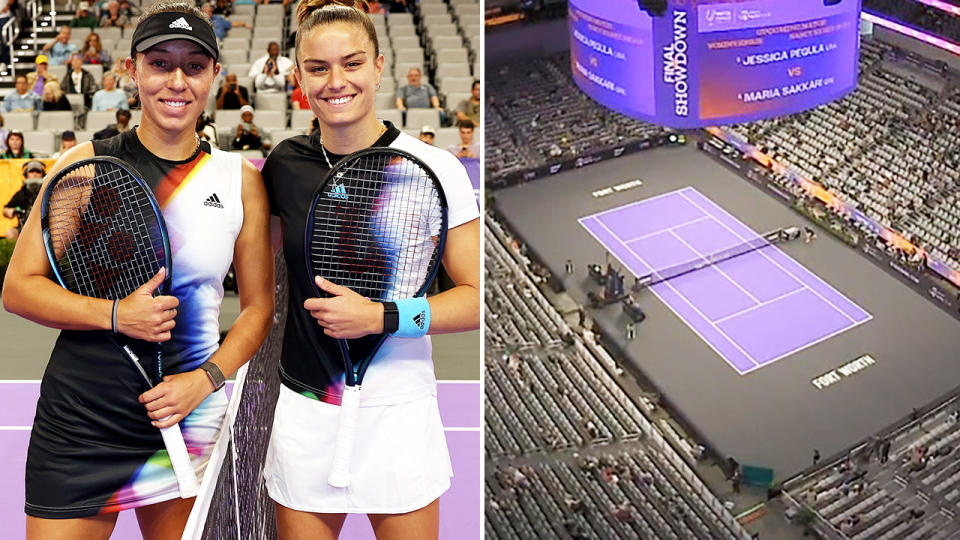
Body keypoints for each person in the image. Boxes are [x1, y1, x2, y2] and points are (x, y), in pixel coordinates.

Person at [2, 2, 274, 538]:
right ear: (133, 71)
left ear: (215, 76)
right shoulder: (83, 165)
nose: (177, 81)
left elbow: (259, 308)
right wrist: (116, 315)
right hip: (80, 421)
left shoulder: (239, 179)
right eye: (160, 63)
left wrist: (206, 379)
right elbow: (19, 289)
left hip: (186, 416)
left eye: (194, 66)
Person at [260, 1, 481, 538]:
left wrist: (382, 316)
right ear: (299, 78)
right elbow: (264, 289)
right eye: (318, 68)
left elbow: (477, 300)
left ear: (379, 67)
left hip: (398, 411)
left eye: (352, 63)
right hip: (306, 411)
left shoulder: (437, 169)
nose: (336, 81)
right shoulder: (282, 166)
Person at [3, 160, 45, 238]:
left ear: (43, 174)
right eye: (31, 171)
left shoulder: (47, 191)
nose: (35, 174)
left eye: (38, 171)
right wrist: (9, 211)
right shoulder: (21, 193)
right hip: (23, 228)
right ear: (26, 174)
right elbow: (6, 209)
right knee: (10, 233)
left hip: (44, 229)